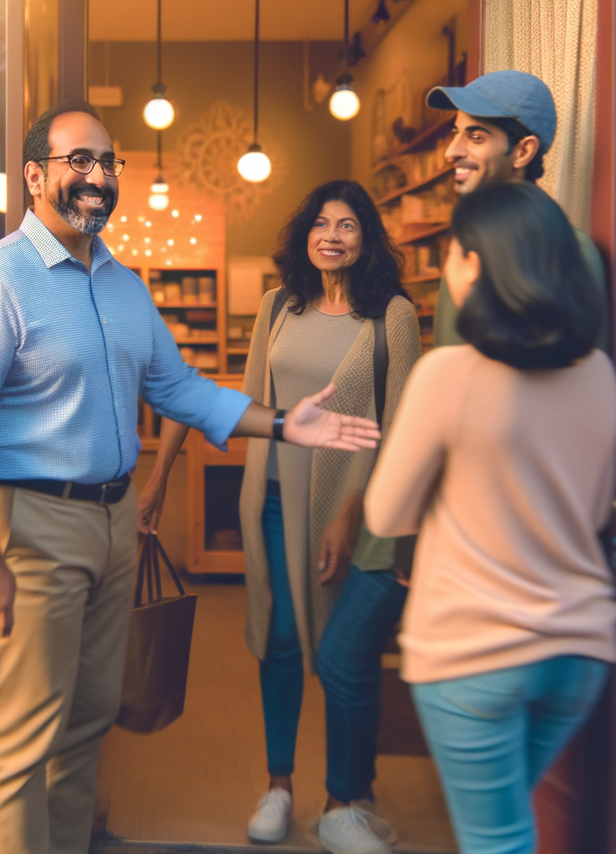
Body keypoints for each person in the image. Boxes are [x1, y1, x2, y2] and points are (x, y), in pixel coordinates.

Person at [0, 100, 383, 854]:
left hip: (114, 523)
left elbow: (178, 389)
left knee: (88, 719)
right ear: (34, 175)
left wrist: (279, 421)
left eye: (108, 163)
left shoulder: (121, 284)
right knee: (24, 733)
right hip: (33, 523)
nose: (97, 176)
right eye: (79, 159)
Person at [139, 181, 420, 853]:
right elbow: (241, 398)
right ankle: (279, 785)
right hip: (269, 495)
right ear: (304, 235)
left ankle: (345, 800)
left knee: (344, 655)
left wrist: (351, 511)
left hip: (349, 505)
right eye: (320, 222)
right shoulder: (278, 305)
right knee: (281, 640)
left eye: (347, 225)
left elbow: (405, 422)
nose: (331, 234)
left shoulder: (393, 316)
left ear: (367, 238)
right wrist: (159, 476)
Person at [363, 182, 616, 854]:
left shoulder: (451, 373)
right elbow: (590, 511)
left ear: (474, 265)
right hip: (577, 651)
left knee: (497, 841)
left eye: (450, 253)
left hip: (473, 651)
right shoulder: (598, 373)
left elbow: (387, 512)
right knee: (503, 827)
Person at [427, 70, 607, 351]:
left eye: (475, 137)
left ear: (523, 152)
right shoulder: (465, 241)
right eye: (456, 133)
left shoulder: (571, 249)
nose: (451, 151)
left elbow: (583, 374)